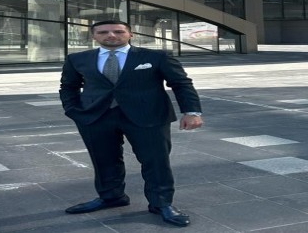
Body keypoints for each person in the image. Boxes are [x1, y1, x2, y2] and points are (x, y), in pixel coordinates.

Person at [59, 20, 203, 227]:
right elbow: (68, 86)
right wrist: (73, 110)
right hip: (95, 117)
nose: (111, 35)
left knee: (156, 162)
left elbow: (181, 83)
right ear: (94, 36)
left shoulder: (156, 57)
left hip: (148, 116)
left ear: (130, 34)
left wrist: (191, 112)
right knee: (103, 160)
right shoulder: (77, 59)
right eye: (103, 32)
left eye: (118, 31)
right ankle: (111, 197)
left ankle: (161, 203)